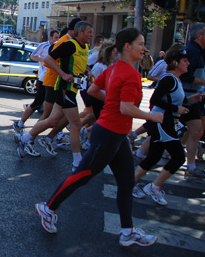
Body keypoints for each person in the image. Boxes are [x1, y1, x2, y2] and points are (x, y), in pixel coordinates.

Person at [35, 27, 161, 247]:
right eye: (141, 44)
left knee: (126, 182)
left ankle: (127, 231)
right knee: (84, 174)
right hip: (110, 132)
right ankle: (48, 207)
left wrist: (113, 100)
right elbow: (126, 108)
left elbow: (93, 90)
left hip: (116, 133)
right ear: (127, 47)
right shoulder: (130, 73)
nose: (145, 48)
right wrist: (152, 116)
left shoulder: (114, 69)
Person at [18, 21, 93, 172]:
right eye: (89, 32)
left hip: (72, 88)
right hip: (64, 88)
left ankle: (25, 139)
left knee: (52, 120)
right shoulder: (69, 44)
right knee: (76, 125)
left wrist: (87, 71)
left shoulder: (84, 47)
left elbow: (79, 63)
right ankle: (77, 162)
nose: (91, 35)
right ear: (79, 32)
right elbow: (48, 59)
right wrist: (63, 74)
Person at [133, 44, 200, 206]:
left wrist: (190, 100)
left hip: (165, 121)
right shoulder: (168, 78)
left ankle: (131, 184)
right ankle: (154, 187)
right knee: (178, 157)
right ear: (175, 62)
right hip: (162, 121)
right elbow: (155, 100)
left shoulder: (174, 79)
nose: (188, 64)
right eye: (185, 61)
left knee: (154, 156)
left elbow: (172, 99)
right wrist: (177, 108)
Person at [14, 30, 60, 133]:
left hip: (51, 79)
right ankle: (27, 128)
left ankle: (25, 125)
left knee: (46, 105)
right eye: (56, 37)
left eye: (59, 37)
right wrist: (44, 60)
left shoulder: (59, 47)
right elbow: (33, 56)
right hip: (44, 78)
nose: (57, 39)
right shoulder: (44, 46)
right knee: (42, 105)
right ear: (51, 37)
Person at [178, 22, 205, 180]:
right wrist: (203, 83)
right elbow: (185, 76)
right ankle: (141, 153)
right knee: (169, 132)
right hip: (186, 97)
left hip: (193, 98)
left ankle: (191, 166)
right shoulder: (193, 51)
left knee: (196, 131)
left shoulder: (198, 51)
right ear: (199, 36)